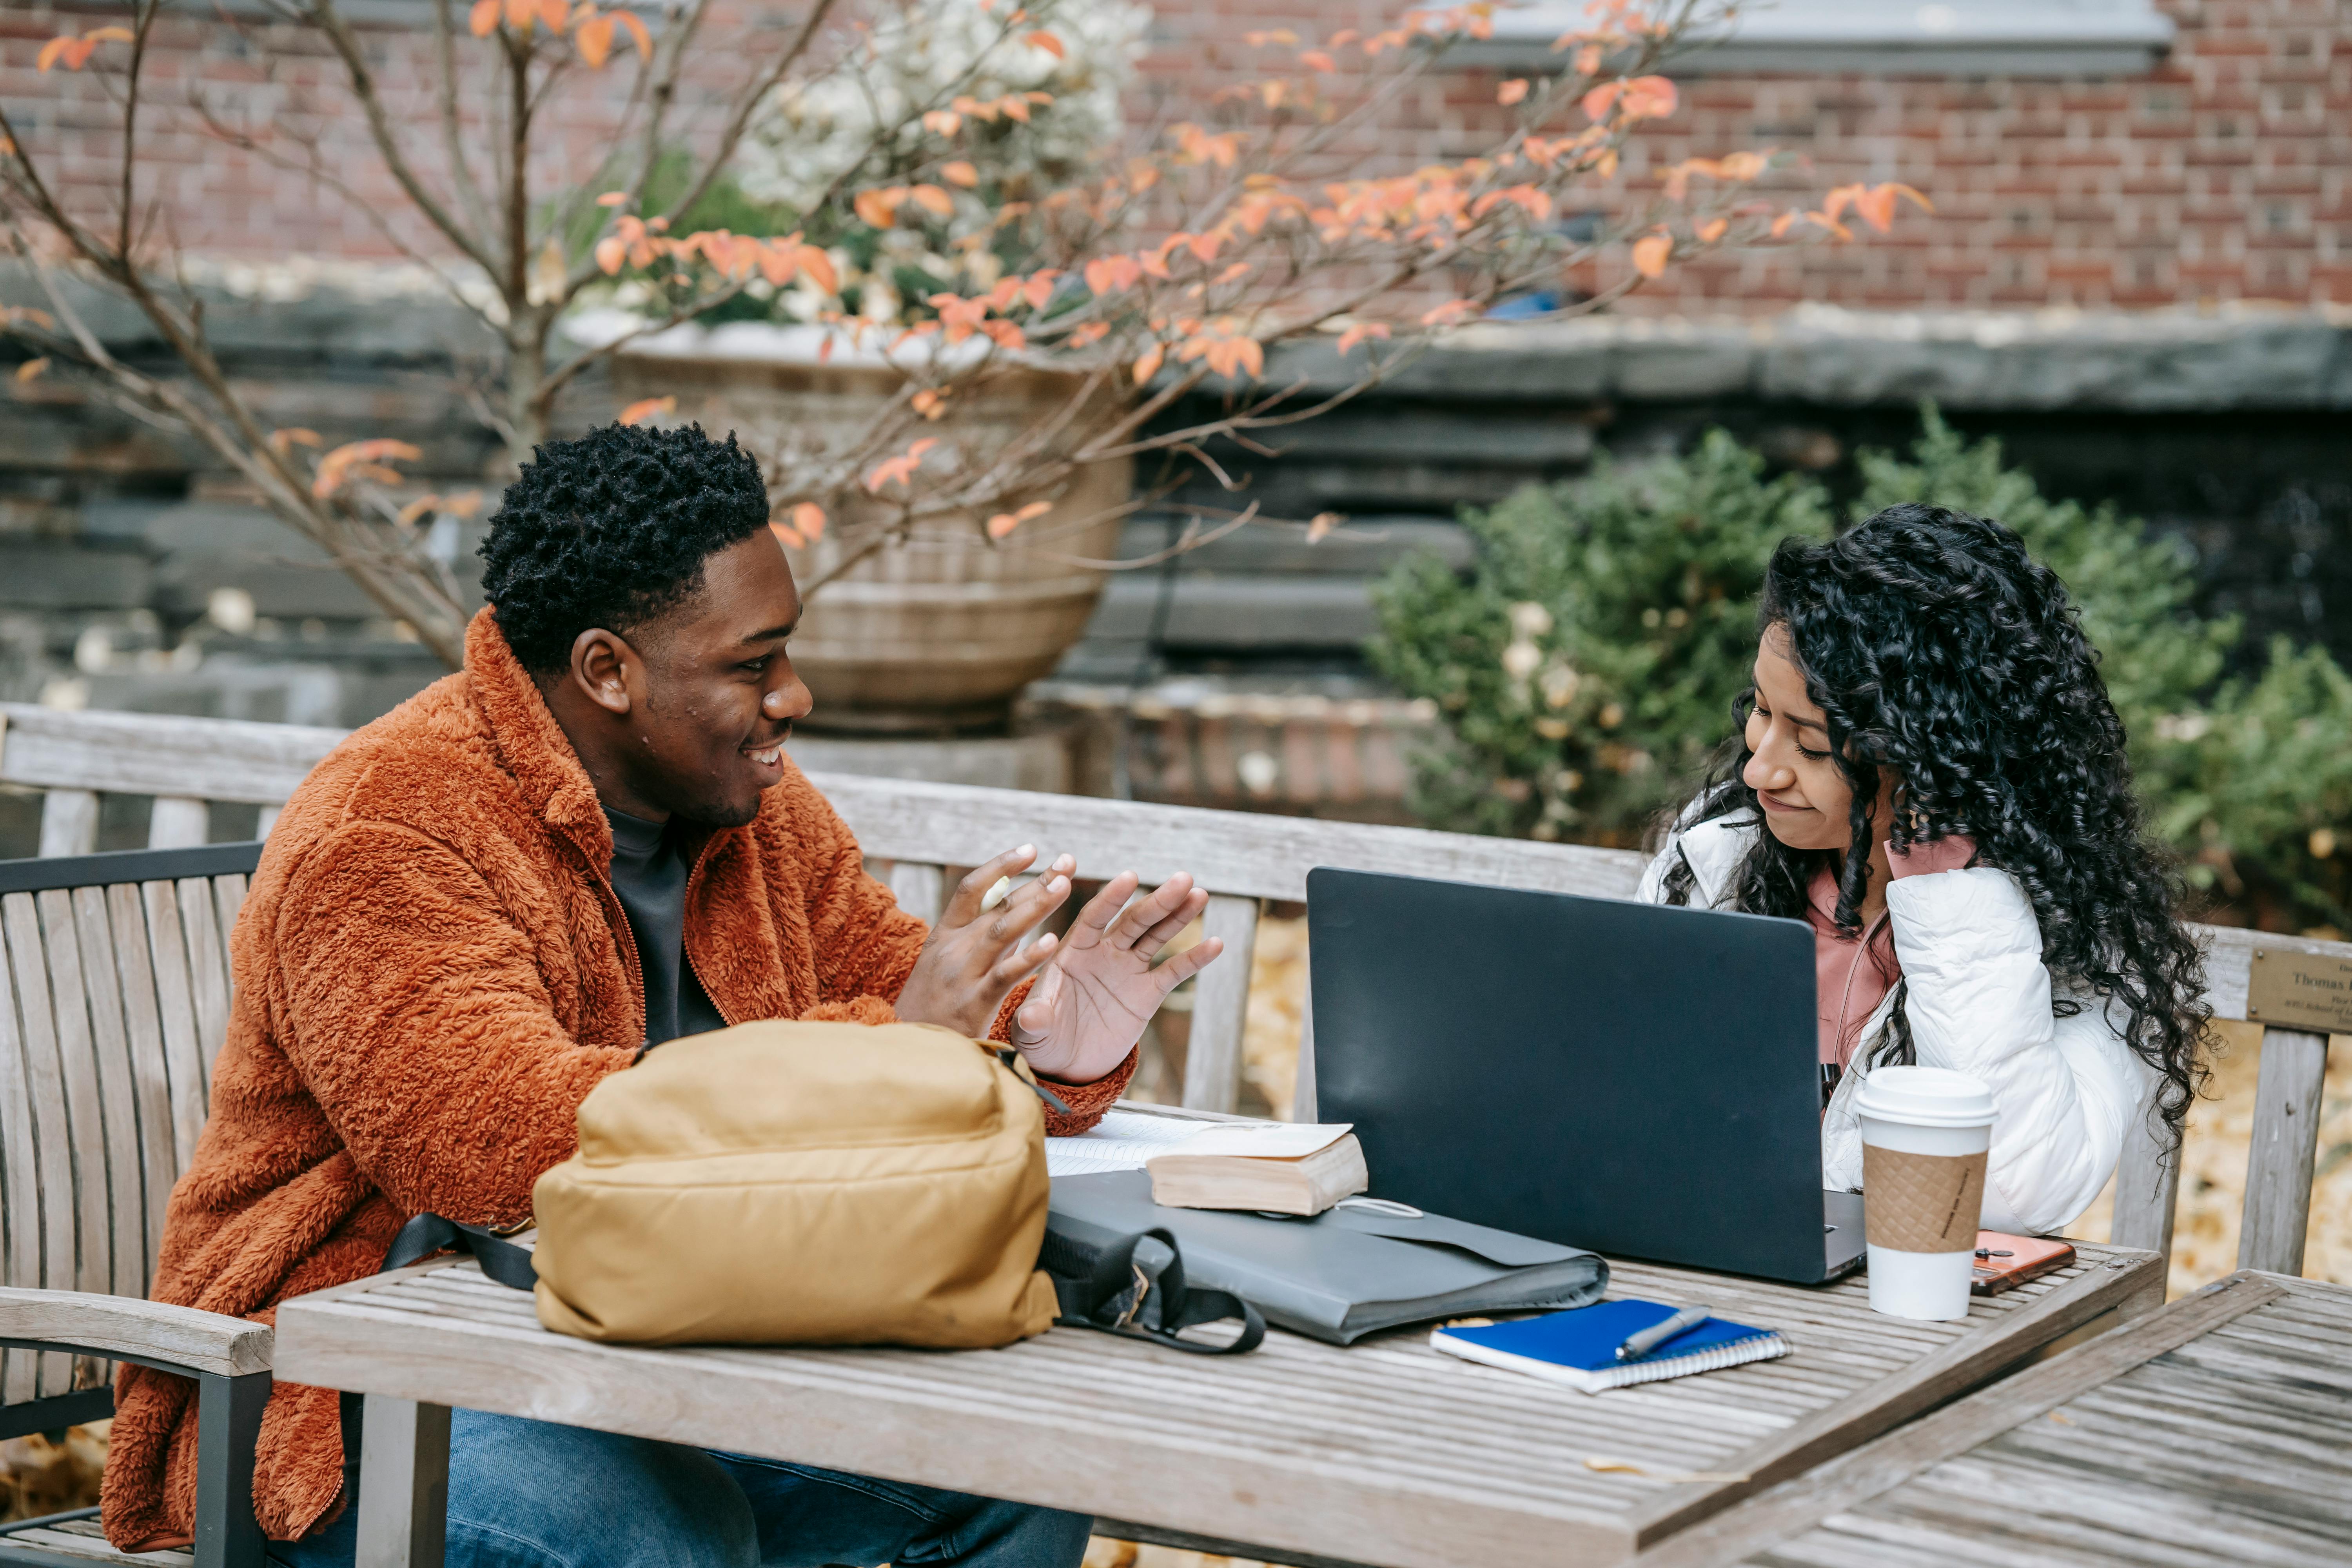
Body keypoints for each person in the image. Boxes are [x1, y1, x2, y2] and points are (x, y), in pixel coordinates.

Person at [101, 423, 1225, 1568]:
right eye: (752, 663)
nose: (794, 695)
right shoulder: (387, 830)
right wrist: (897, 1042)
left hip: (667, 1345)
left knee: (1012, 1476)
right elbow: (493, 1144)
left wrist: (1043, 1050)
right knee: (659, 1538)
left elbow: (912, 1015)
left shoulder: (751, 807)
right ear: (607, 671)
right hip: (342, 1392)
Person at [1636, 503, 2207, 1237]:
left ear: (1929, 760)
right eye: (1759, 711)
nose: (1759, 770)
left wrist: (1951, 902)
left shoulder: (2076, 944)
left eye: (1812, 745)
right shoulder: (1717, 861)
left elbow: (2010, 1192)